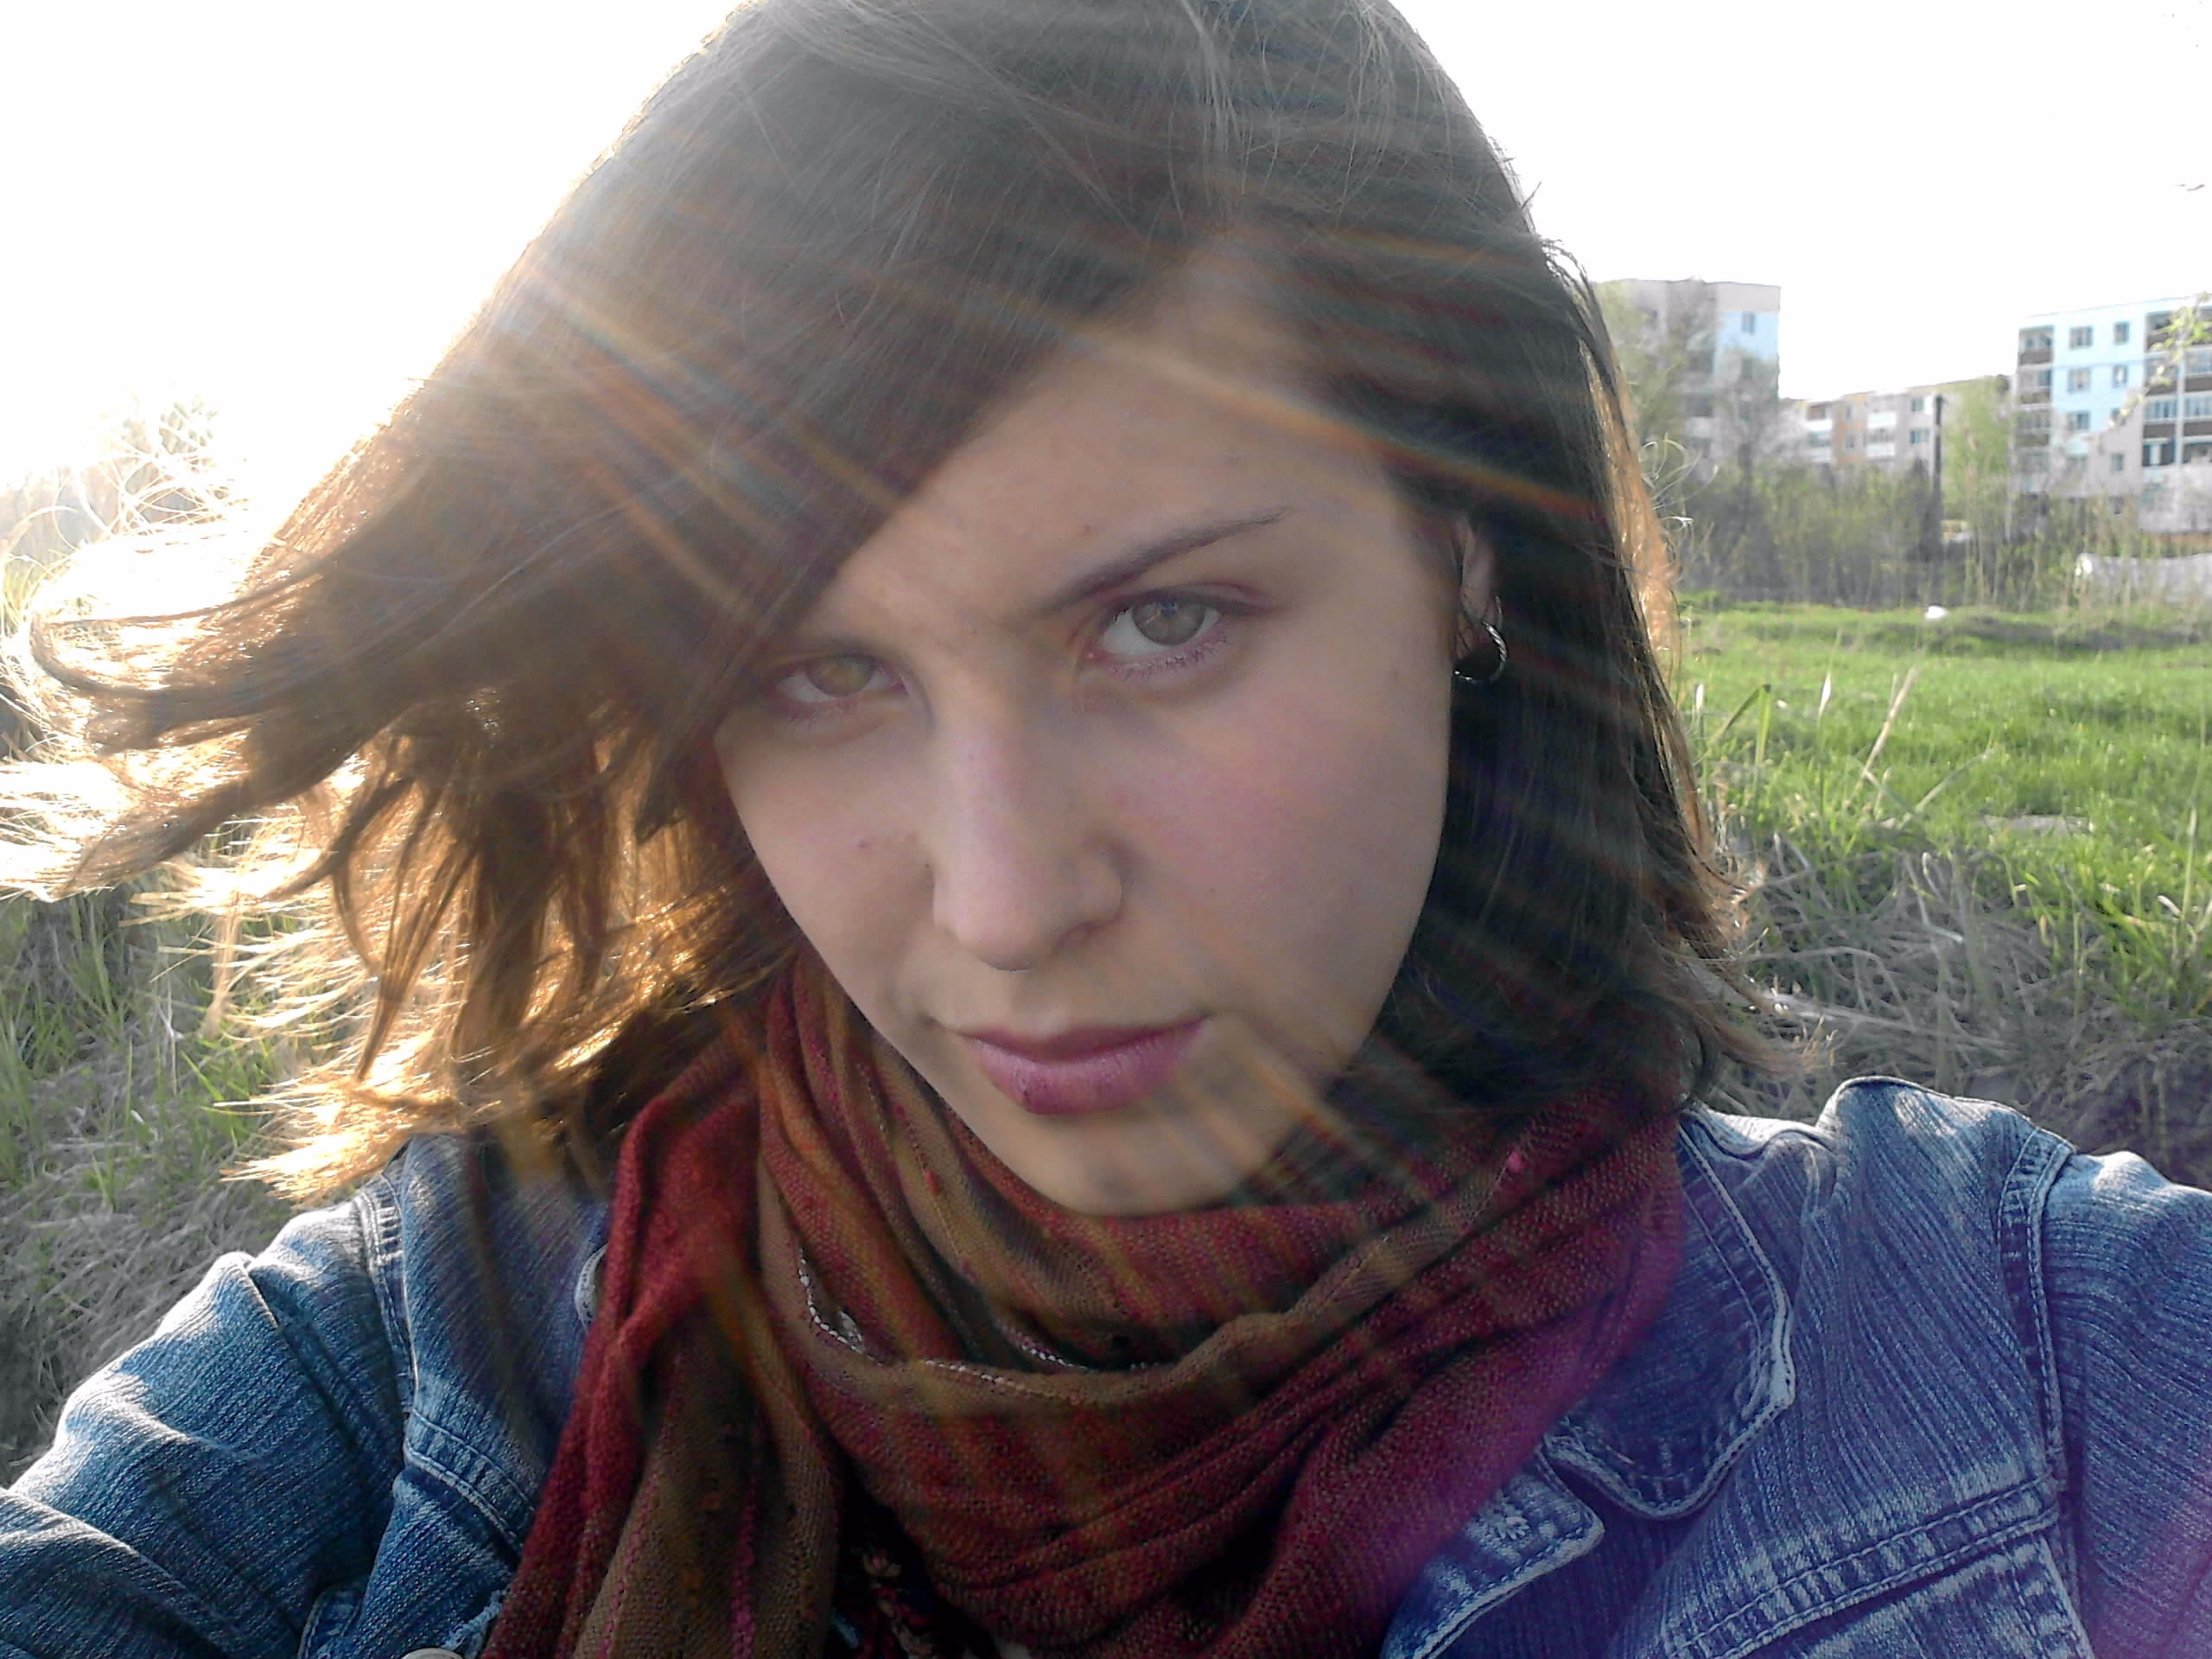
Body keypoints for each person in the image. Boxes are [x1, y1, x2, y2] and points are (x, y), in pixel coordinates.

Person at [2, 0, 2209, 1654]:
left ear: (1462, 549)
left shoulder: (2032, 1376)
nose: (1003, 902)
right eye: (818, 674)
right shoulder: (422, 1343)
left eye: (1162, 622)